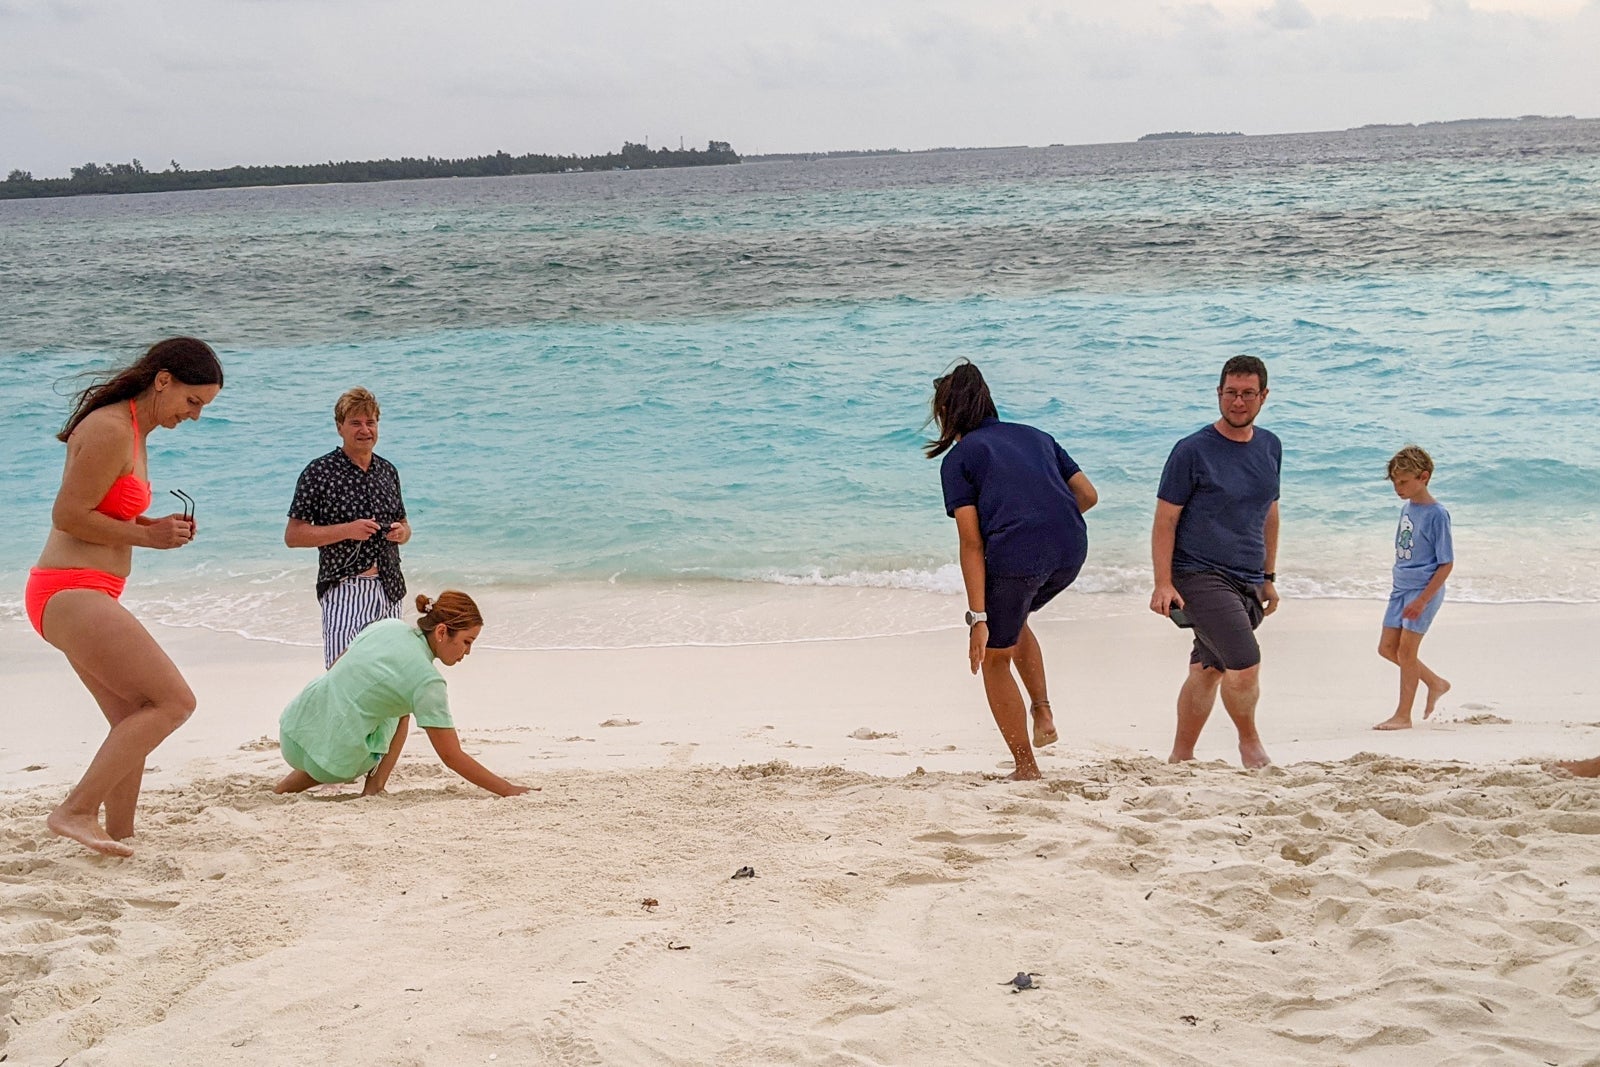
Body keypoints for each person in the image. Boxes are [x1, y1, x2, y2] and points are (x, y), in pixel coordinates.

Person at [26, 337, 224, 856]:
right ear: (163, 380)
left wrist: (147, 523)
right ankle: (74, 810)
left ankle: (119, 833)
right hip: (70, 589)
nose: (196, 416)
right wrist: (148, 538)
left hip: (83, 592)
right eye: (193, 401)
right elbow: (67, 516)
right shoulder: (112, 429)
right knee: (173, 703)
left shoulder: (133, 429)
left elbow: (101, 509)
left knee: (134, 714)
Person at [927, 361, 1098, 781]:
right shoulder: (1037, 437)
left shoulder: (959, 460)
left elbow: (971, 542)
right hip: (1071, 547)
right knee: (1015, 619)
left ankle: (1026, 767)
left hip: (1019, 556)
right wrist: (1044, 519)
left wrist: (977, 619)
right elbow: (1088, 495)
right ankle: (1043, 714)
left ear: (946, 412)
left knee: (994, 655)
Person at [1150, 355, 1280, 769]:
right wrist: (1163, 582)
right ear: (1218, 394)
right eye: (1230, 393)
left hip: (1246, 577)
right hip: (1198, 574)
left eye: (1246, 394)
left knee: (1208, 668)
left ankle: (1181, 756)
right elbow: (1165, 520)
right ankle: (1250, 744)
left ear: (1263, 396)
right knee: (1244, 663)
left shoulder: (1270, 446)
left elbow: (1270, 512)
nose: (1237, 402)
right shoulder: (1192, 451)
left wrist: (1268, 576)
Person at [274, 591, 531, 797]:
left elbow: (339, 664)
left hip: (293, 731)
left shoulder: (388, 625)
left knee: (358, 698)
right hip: (331, 764)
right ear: (442, 631)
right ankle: (373, 788)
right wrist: (507, 789)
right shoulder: (427, 682)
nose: (467, 652)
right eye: (467, 641)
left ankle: (284, 789)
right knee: (402, 712)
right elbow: (452, 756)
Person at [285, 387, 412, 668]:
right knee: (344, 678)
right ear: (339, 427)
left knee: (391, 681)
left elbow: (404, 524)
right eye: (355, 422)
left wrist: (402, 534)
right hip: (345, 588)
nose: (365, 430)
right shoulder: (319, 472)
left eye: (371, 422)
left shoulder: (388, 471)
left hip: (390, 588)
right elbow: (293, 536)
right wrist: (348, 530)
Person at [1373, 446, 1454, 730]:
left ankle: (1403, 716)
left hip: (1423, 591)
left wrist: (1422, 600)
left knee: (1406, 652)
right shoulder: (1408, 508)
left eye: (1404, 482)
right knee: (1386, 648)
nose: (1398, 487)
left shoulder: (1437, 514)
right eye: (1395, 482)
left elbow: (1446, 564)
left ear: (1424, 477)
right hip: (1401, 588)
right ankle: (1435, 682)